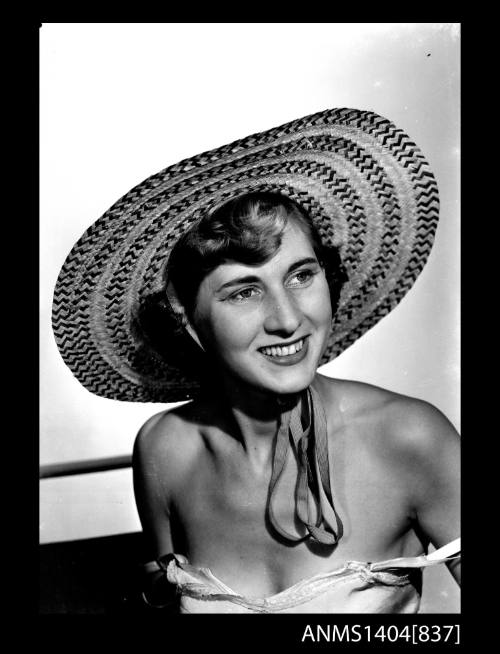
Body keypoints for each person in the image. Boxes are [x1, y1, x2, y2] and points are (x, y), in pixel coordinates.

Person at [52, 107, 460, 614]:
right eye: (244, 292)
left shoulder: (409, 437)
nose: (287, 320)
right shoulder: (165, 450)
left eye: (301, 275)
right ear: (185, 318)